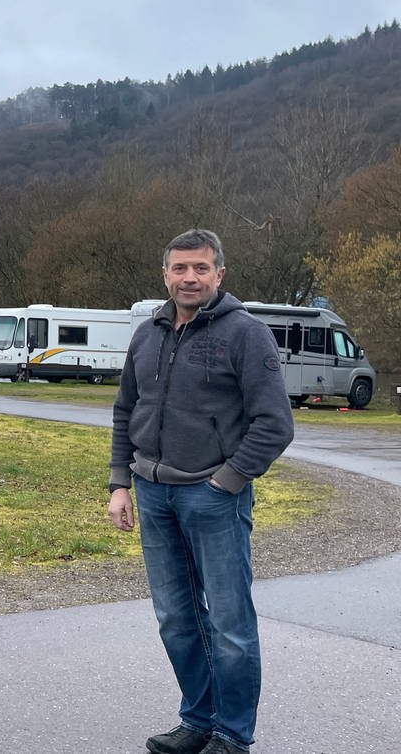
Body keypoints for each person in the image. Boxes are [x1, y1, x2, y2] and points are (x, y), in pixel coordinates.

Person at [108, 228, 294, 754]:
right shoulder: (147, 334)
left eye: (201, 268)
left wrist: (228, 479)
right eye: (180, 268)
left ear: (219, 274)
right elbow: (127, 411)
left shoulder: (246, 334)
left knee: (231, 622)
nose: (190, 277)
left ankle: (232, 736)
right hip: (153, 493)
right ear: (165, 273)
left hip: (213, 496)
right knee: (176, 618)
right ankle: (198, 720)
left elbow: (274, 424)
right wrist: (120, 482)